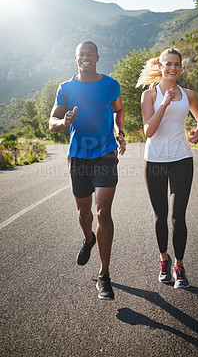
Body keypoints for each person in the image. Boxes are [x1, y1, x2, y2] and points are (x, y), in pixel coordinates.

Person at [49, 41, 126, 300]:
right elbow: (52, 122)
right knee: (84, 214)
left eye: (89, 54)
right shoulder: (66, 87)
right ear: (75, 58)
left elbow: (119, 109)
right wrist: (63, 121)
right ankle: (88, 239)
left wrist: (121, 131)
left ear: (97, 57)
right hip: (78, 157)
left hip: (105, 154)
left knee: (103, 212)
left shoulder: (111, 84)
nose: (85, 57)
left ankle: (104, 275)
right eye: (81, 54)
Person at [138, 48, 198, 289]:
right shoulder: (149, 95)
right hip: (155, 160)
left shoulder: (189, 94)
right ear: (160, 66)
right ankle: (163, 260)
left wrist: (197, 131)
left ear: (180, 67)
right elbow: (149, 131)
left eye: (177, 64)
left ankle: (179, 265)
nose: (173, 68)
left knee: (178, 216)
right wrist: (164, 104)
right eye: (168, 64)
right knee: (161, 217)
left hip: (181, 159)